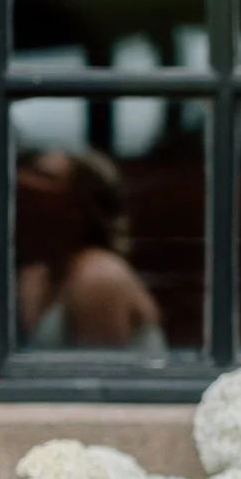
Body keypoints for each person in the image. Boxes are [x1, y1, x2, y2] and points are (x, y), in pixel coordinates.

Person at [15, 147, 166, 356]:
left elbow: (100, 379)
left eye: (44, 177)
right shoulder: (35, 274)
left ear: (79, 206)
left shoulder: (99, 277)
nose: (22, 183)